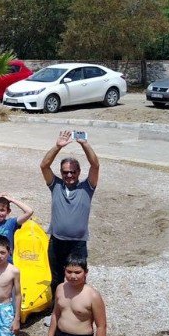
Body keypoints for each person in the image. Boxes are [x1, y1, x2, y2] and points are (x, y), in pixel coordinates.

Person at [40, 130, 99, 324]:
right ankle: (56, 312)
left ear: (78, 173)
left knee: (77, 278)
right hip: (57, 241)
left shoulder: (87, 187)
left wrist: (84, 144)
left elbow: (95, 165)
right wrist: (58, 146)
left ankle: (79, 311)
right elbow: (44, 165)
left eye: (73, 172)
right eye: (65, 172)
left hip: (78, 244)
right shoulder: (55, 185)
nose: (69, 175)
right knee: (57, 278)